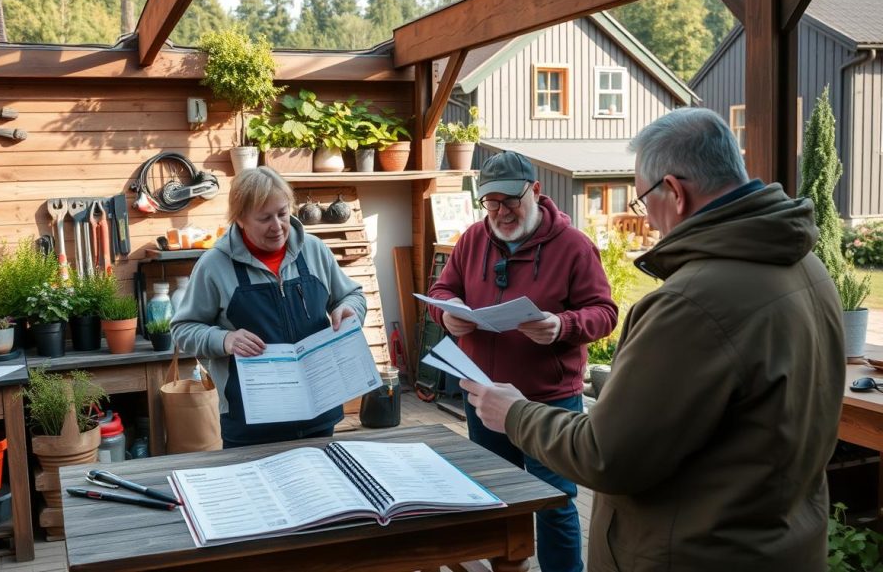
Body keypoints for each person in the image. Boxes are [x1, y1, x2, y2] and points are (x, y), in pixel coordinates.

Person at [462, 108, 845, 569]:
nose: (647, 220)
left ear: (676, 192)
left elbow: (607, 455)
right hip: (783, 544)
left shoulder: (691, 303)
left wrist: (515, 413)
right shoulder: (808, 268)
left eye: (643, 201)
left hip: (697, 552)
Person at [427, 151, 617, 572]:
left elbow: (605, 312)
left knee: (554, 502)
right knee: (497, 494)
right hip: (484, 393)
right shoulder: (473, 239)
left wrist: (561, 325)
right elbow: (440, 291)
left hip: (547, 400)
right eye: (491, 203)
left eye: (510, 201)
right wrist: (449, 312)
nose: (500, 212)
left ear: (535, 191)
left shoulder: (573, 246)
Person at [171, 166, 367, 448]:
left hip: (320, 415)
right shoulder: (214, 266)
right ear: (240, 219)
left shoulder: (314, 251)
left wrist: (349, 310)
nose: (277, 226)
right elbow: (182, 330)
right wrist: (224, 339)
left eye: (283, 213)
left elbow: (353, 296)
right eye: (264, 218)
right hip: (250, 426)